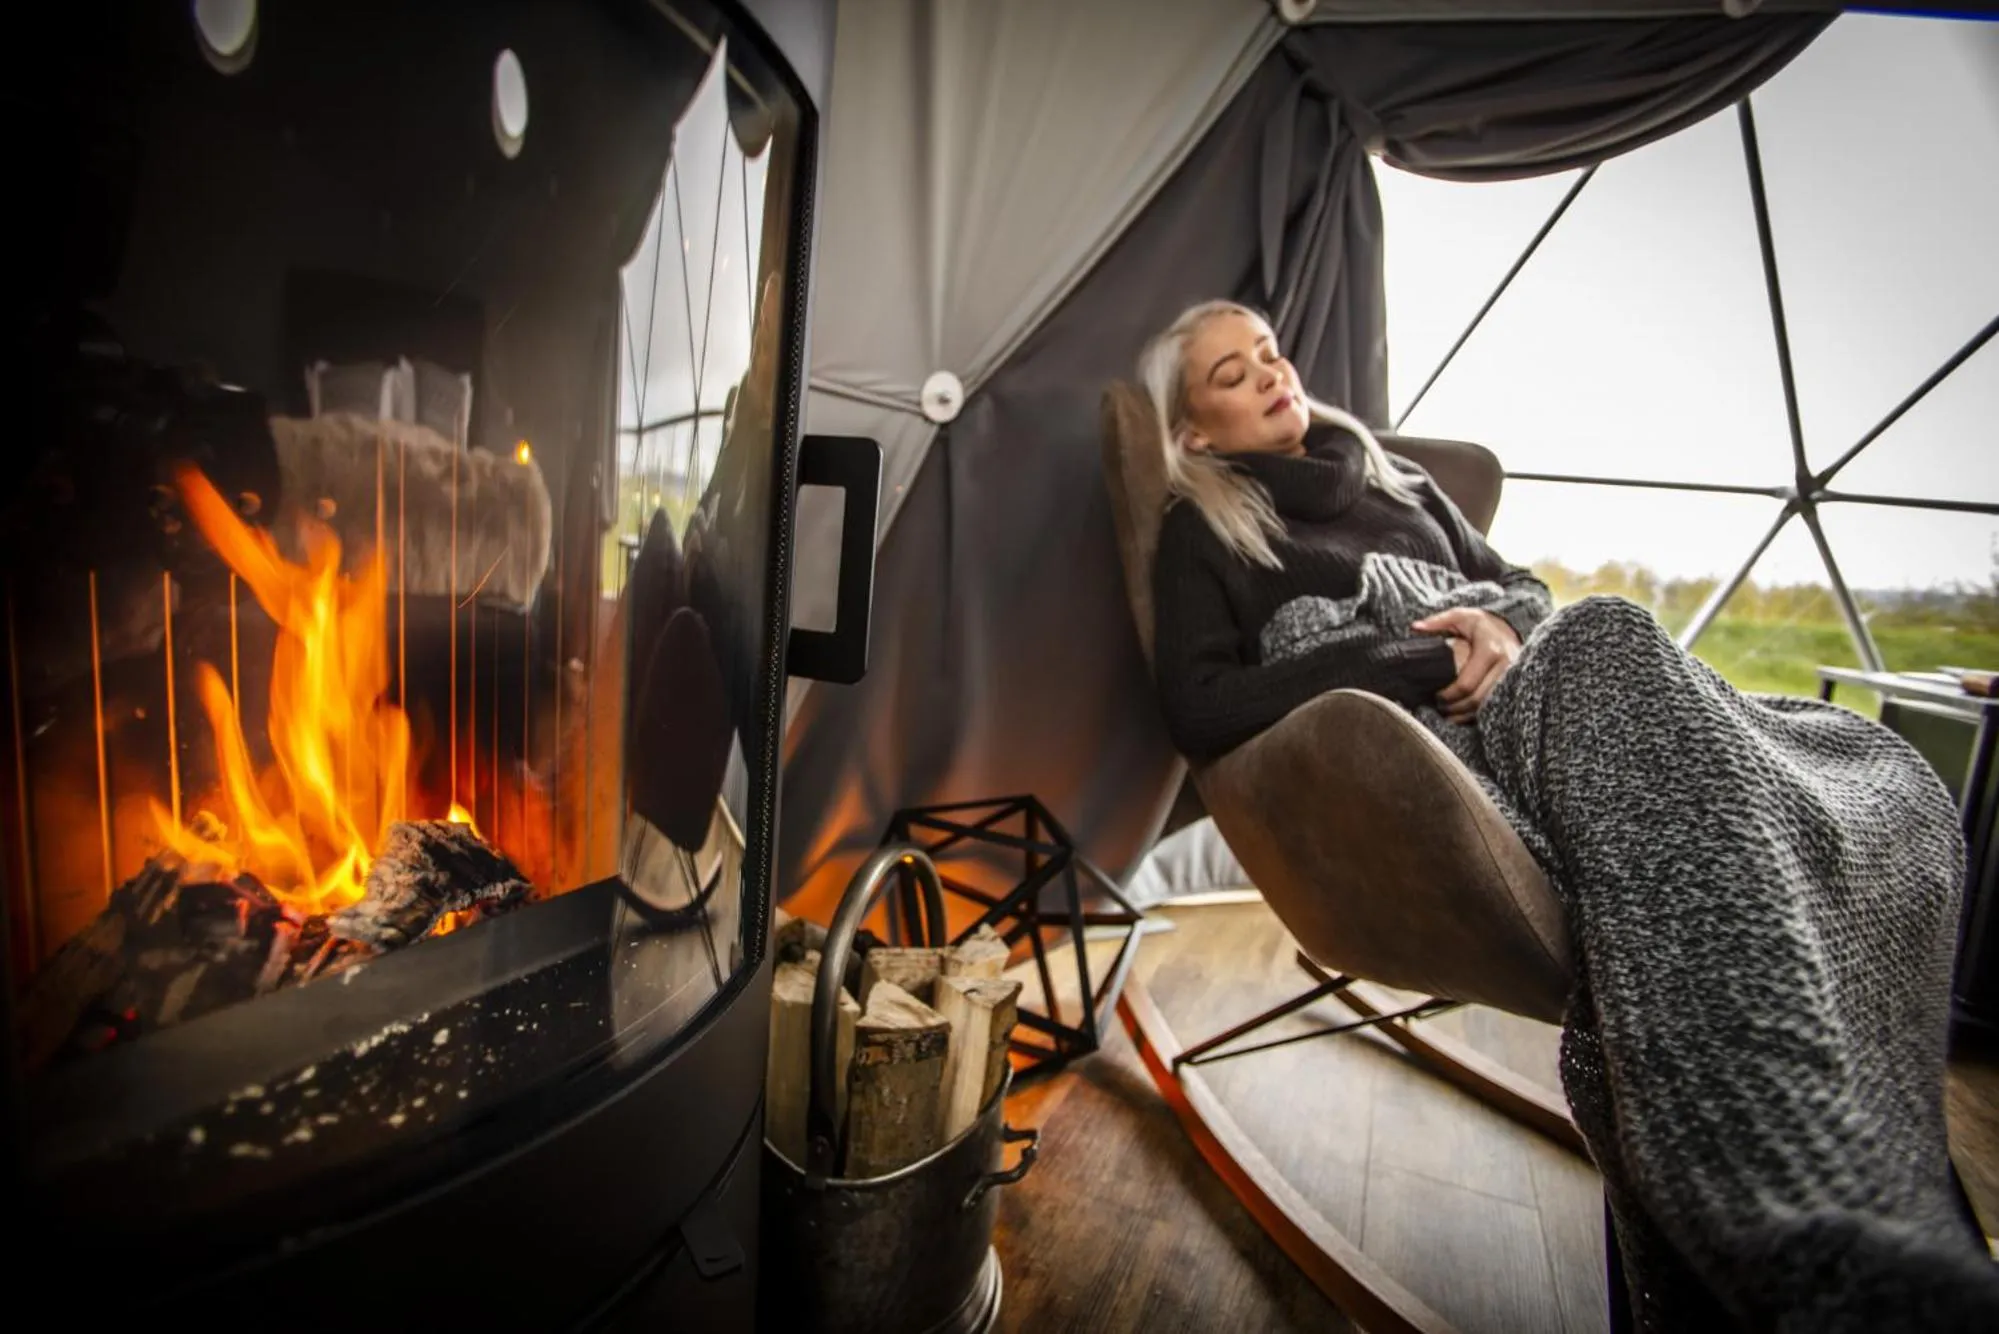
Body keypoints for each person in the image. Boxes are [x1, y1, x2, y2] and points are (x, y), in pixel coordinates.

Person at [1138, 299, 1999, 1332]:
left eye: (1269, 352)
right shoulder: (1204, 525)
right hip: (1436, 755)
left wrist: (1501, 631)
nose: (1269, 374)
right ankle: (1797, 1205)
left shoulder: (1396, 480)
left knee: (1873, 766)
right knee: (1604, 634)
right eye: (1230, 375)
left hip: (1539, 692)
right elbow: (1201, 705)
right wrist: (1419, 654)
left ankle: (1873, 1182)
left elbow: (1520, 589)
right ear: (1195, 431)